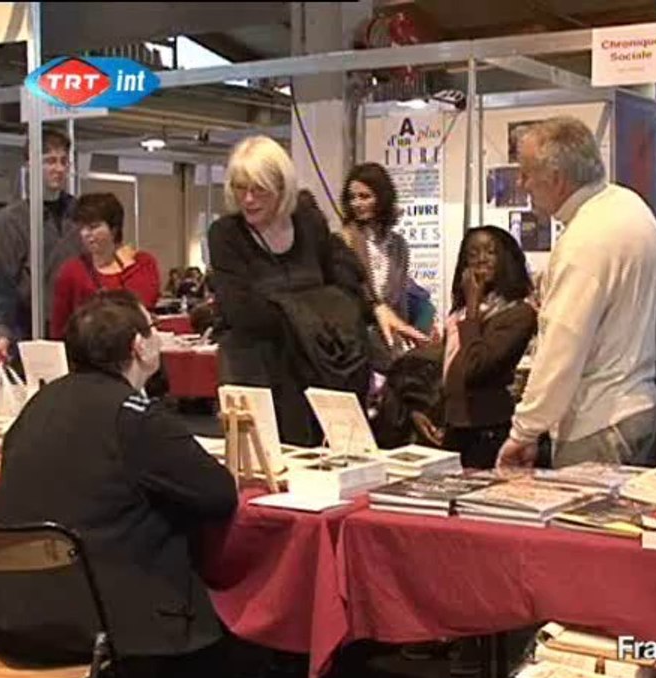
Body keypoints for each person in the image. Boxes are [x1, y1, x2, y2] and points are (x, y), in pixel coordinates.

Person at [0, 290, 238, 678]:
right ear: (138, 346)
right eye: (153, 330)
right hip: (93, 629)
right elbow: (220, 494)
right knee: (231, 660)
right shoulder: (135, 418)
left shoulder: (38, 406)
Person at [497, 117, 656, 470]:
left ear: (555, 178)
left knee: (585, 525)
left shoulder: (583, 241)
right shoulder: (631, 206)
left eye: (526, 173)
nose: (522, 183)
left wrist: (523, 432)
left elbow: (562, 349)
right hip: (639, 405)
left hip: (597, 421)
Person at [208, 136, 372, 446]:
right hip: (256, 376)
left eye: (259, 190)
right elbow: (242, 312)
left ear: (282, 189)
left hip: (318, 369)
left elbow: (345, 284)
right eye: (240, 188)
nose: (248, 200)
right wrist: (315, 308)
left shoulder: (309, 222)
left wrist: (290, 307)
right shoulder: (226, 234)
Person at [440, 226, 536, 469]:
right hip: (454, 427)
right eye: (473, 254)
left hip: (487, 431)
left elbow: (476, 366)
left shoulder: (518, 314)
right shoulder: (458, 315)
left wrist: (473, 307)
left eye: (490, 252)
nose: (481, 260)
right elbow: (447, 367)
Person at [0, 127, 82, 364]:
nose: (59, 169)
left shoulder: (80, 213)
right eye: (50, 161)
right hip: (31, 329)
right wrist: (4, 331)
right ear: (31, 164)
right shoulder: (12, 220)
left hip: (78, 329)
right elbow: (3, 282)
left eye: (64, 161)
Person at [339, 162, 426, 358]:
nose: (357, 204)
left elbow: (400, 300)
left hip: (387, 343)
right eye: (352, 197)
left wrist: (403, 337)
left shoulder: (398, 245)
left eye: (365, 196)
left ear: (382, 197)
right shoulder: (344, 240)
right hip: (353, 342)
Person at [50, 193, 161, 339]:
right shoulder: (72, 270)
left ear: (114, 229)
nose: (85, 234)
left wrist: (126, 265)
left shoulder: (142, 264)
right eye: (82, 227)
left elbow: (139, 305)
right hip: (86, 353)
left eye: (93, 227)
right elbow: (59, 327)